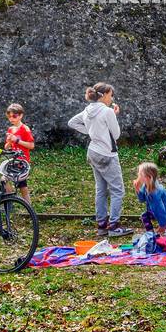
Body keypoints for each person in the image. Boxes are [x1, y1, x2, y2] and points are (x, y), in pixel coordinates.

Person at [68, 82, 129, 236]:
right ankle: (114, 226)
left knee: (101, 189)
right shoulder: (107, 112)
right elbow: (116, 135)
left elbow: (72, 122)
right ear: (105, 95)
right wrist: (112, 117)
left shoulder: (88, 109)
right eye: (111, 94)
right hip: (107, 153)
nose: (112, 97)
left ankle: (102, 225)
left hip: (93, 151)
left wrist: (91, 132)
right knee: (117, 190)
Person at [4, 103, 34, 202]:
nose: (11, 119)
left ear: (21, 115)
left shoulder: (25, 129)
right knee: (3, 180)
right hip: (13, 160)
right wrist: (9, 142)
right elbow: (6, 147)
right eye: (9, 117)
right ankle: (10, 200)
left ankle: (29, 207)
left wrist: (17, 140)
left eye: (14, 116)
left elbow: (31, 145)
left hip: (22, 161)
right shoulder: (10, 129)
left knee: (22, 186)